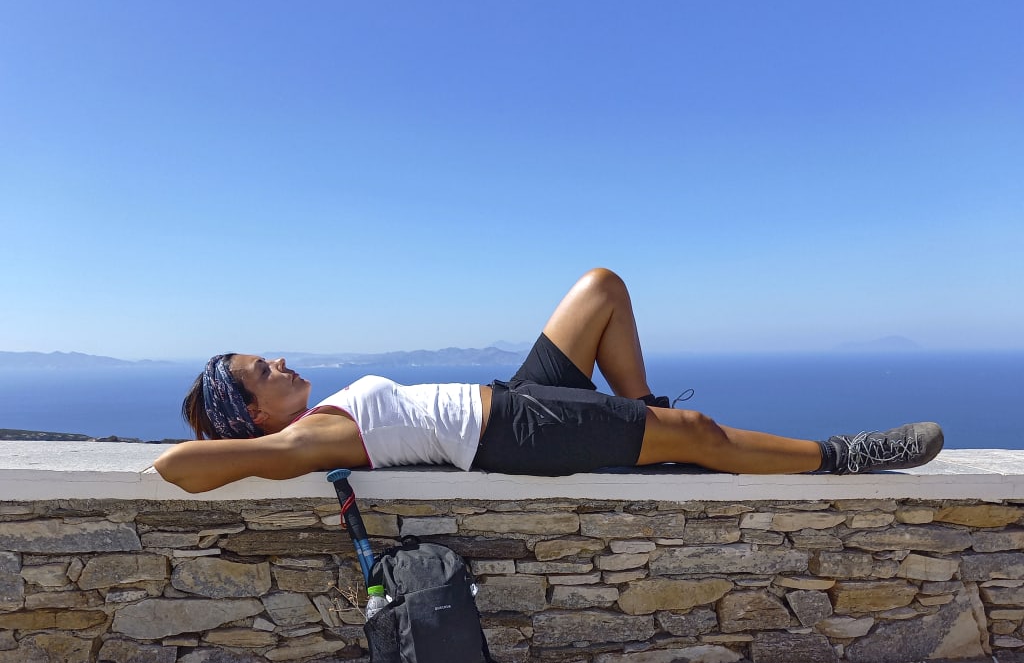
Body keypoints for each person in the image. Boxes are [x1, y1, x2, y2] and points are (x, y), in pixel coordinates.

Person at [154, 268, 944, 493]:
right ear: (253, 412)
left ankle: (642, 425)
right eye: (262, 371)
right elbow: (179, 468)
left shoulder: (321, 412)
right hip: (512, 435)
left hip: (511, 396)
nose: (278, 360)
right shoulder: (303, 440)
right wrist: (230, 445)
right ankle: (843, 454)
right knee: (700, 434)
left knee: (601, 288)